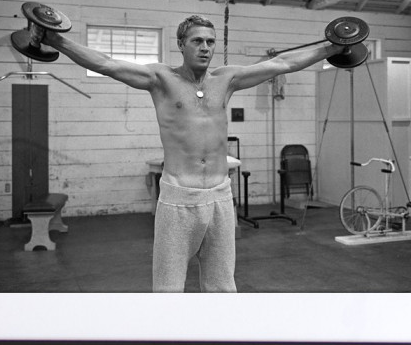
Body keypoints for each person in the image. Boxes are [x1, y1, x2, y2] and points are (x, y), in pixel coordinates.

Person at [40, 15, 350, 292]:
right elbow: (105, 63)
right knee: (168, 286)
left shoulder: (226, 79)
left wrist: (331, 49)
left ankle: (216, 343)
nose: (205, 48)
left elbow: (282, 64)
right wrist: (57, 40)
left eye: (210, 42)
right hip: (179, 198)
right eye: (197, 41)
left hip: (219, 195)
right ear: (181, 44)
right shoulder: (160, 79)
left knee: (222, 285)